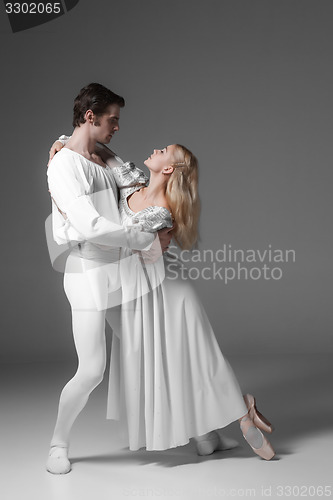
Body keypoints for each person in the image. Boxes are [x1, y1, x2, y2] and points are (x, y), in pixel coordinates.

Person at [47, 133, 276, 473]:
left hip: (164, 288)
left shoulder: (161, 212)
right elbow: (107, 155)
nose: (154, 149)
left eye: (163, 151)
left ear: (168, 167)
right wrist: (66, 140)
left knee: (186, 355)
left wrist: (148, 241)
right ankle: (211, 430)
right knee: (171, 358)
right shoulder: (134, 180)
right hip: (132, 286)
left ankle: (234, 416)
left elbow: (130, 242)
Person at [45, 83, 172, 475]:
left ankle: (191, 431)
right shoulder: (64, 164)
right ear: (90, 116)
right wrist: (144, 239)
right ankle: (58, 444)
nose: (117, 127)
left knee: (145, 349)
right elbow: (91, 225)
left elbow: (135, 184)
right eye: (112, 120)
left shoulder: (100, 156)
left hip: (121, 269)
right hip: (87, 272)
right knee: (93, 369)